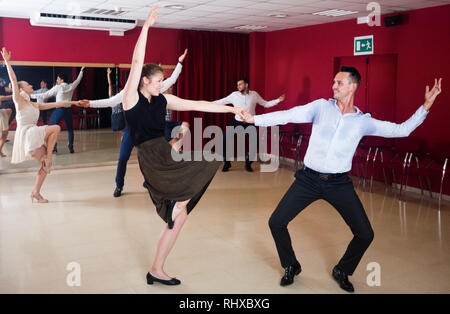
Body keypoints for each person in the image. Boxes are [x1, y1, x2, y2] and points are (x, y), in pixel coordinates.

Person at [241, 67, 442, 292]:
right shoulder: (320, 107)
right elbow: (288, 114)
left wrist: (425, 106)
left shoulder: (363, 121)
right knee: (276, 222)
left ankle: (342, 270)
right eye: (334, 82)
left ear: (353, 86)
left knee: (365, 234)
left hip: (338, 184)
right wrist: (254, 119)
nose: (334, 86)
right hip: (308, 179)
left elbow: (401, 130)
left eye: (339, 82)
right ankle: (291, 266)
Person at [122, 7, 245, 286]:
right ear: (144, 80)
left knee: (183, 214)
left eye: (163, 82)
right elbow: (137, 58)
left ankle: (157, 268)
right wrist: (146, 27)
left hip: (166, 152)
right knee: (190, 190)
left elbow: (197, 104)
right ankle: (175, 204)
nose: (161, 85)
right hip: (152, 158)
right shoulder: (131, 99)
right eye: (157, 81)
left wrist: (230, 109)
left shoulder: (164, 99)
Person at [88, 49, 189, 197]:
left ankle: (149, 181)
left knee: (152, 159)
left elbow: (172, 80)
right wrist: (89, 104)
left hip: (149, 131)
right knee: (123, 158)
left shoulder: (155, 89)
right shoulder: (128, 93)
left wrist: (179, 62)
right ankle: (119, 185)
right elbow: (110, 102)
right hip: (132, 131)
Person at [1, 47, 88, 203]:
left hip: (33, 136)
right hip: (28, 134)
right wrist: (7, 61)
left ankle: (35, 192)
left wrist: (75, 102)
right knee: (55, 128)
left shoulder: (33, 104)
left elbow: (57, 103)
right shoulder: (19, 101)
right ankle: (48, 155)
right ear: (21, 89)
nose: (31, 86)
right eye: (28, 85)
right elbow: (14, 81)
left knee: (46, 167)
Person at [215, 77, 285, 172]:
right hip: (237, 123)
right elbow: (221, 102)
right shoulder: (234, 95)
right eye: (237, 85)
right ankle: (227, 163)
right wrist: (205, 104)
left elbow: (265, 104)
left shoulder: (254, 95)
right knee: (224, 142)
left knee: (254, 145)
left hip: (250, 123)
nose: (238, 86)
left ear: (246, 85)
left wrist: (278, 100)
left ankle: (248, 164)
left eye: (240, 84)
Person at [31, 67, 85, 154]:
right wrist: (81, 71)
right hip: (68, 110)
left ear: (62, 80)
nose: (57, 80)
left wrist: (32, 96)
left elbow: (45, 95)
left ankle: (54, 147)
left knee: (52, 128)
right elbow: (78, 81)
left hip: (59, 110)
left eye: (58, 79)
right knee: (70, 129)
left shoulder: (58, 87)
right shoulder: (71, 86)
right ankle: (71, 147)